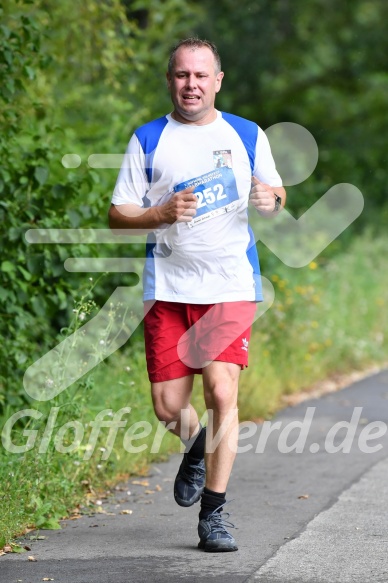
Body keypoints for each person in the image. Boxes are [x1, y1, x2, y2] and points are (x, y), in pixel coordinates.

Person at [108, 37, 286, 552]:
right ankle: (198, 446)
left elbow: (276, 194)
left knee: (222, 392)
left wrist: (268, 198)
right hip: (167, 285)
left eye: (201, 75)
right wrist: (157, 214)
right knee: (168, 406)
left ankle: (215, 513)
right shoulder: (147, 139)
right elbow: (118, 214)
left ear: (218, 81)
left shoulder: (247, 135)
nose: (192, 84)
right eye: (182, 75)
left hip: (229, 282)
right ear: (170, 81)